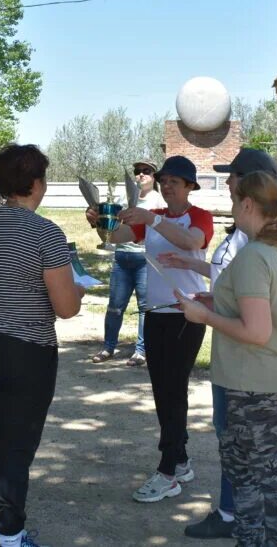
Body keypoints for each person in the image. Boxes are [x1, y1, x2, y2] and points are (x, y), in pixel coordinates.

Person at [174, 170, 277, 546]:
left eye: (233, 202)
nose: (232, 210)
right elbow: (266, 310)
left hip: (254, 385)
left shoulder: (254, 256)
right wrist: (216, 301)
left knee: (267, 477)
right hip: (259, 381)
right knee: (246, 474)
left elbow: (257, 331)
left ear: (247, 204)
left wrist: (205, 316)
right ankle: (250, 539)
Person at [0, 144, 82, 547]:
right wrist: (77, 289)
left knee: (3, 429)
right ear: (34, 183)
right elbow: (65, 308)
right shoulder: (45, 232)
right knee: (19, 439)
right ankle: (9, 532)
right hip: (24, 348)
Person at [159, 148, 277, 539]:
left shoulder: (255, 239)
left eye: (233, 176)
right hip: (233, 352)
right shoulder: (246, 232)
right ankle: (235, 512)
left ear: (250, 185)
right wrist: (196, 270)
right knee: (231, 435)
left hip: (245, 358)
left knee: (240, 441)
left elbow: (252, 304)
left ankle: (236, 517)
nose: (227, 181)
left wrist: (206, 312)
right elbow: (228, 279)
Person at [102, 155, 215, 503]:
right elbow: (118, 235)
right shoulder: (156, 218)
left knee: (173, 388)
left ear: (189, 187)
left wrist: (151, 218)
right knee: (161, 389)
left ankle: (168, 471)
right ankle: (179, 460)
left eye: (174, 182)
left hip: (187, 312)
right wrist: (102, 220)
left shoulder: (199, 217)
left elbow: (191, 242)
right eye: (164, 181)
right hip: (156, 312)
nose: (167, 187)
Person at [86, 159, 165, 367]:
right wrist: (95, 218)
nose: (141, 175)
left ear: (154, 175)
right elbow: (110, 227)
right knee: (115, 306)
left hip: (144, 259)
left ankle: (140, 351)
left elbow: (161, 230)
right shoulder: (122, 196)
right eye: (137, 171)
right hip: (122, 257)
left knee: (143, 308)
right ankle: (108, 347)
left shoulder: (158, 200)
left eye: (146, 171)